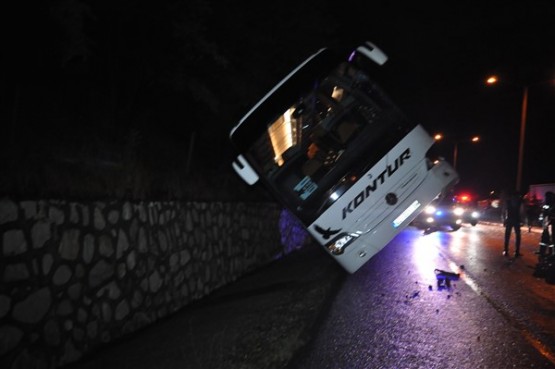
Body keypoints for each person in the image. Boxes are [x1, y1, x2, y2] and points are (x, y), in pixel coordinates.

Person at [503, 191, 522, 257]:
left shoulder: (508, 202)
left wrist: (504, 220)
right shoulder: (520, 202)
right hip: (516, 220)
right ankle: (517, 252)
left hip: (509, 220)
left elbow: (504, 211)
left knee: (507, 236)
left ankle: (506, 251)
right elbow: (521, 212)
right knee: (518, 236)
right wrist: (522, 220)